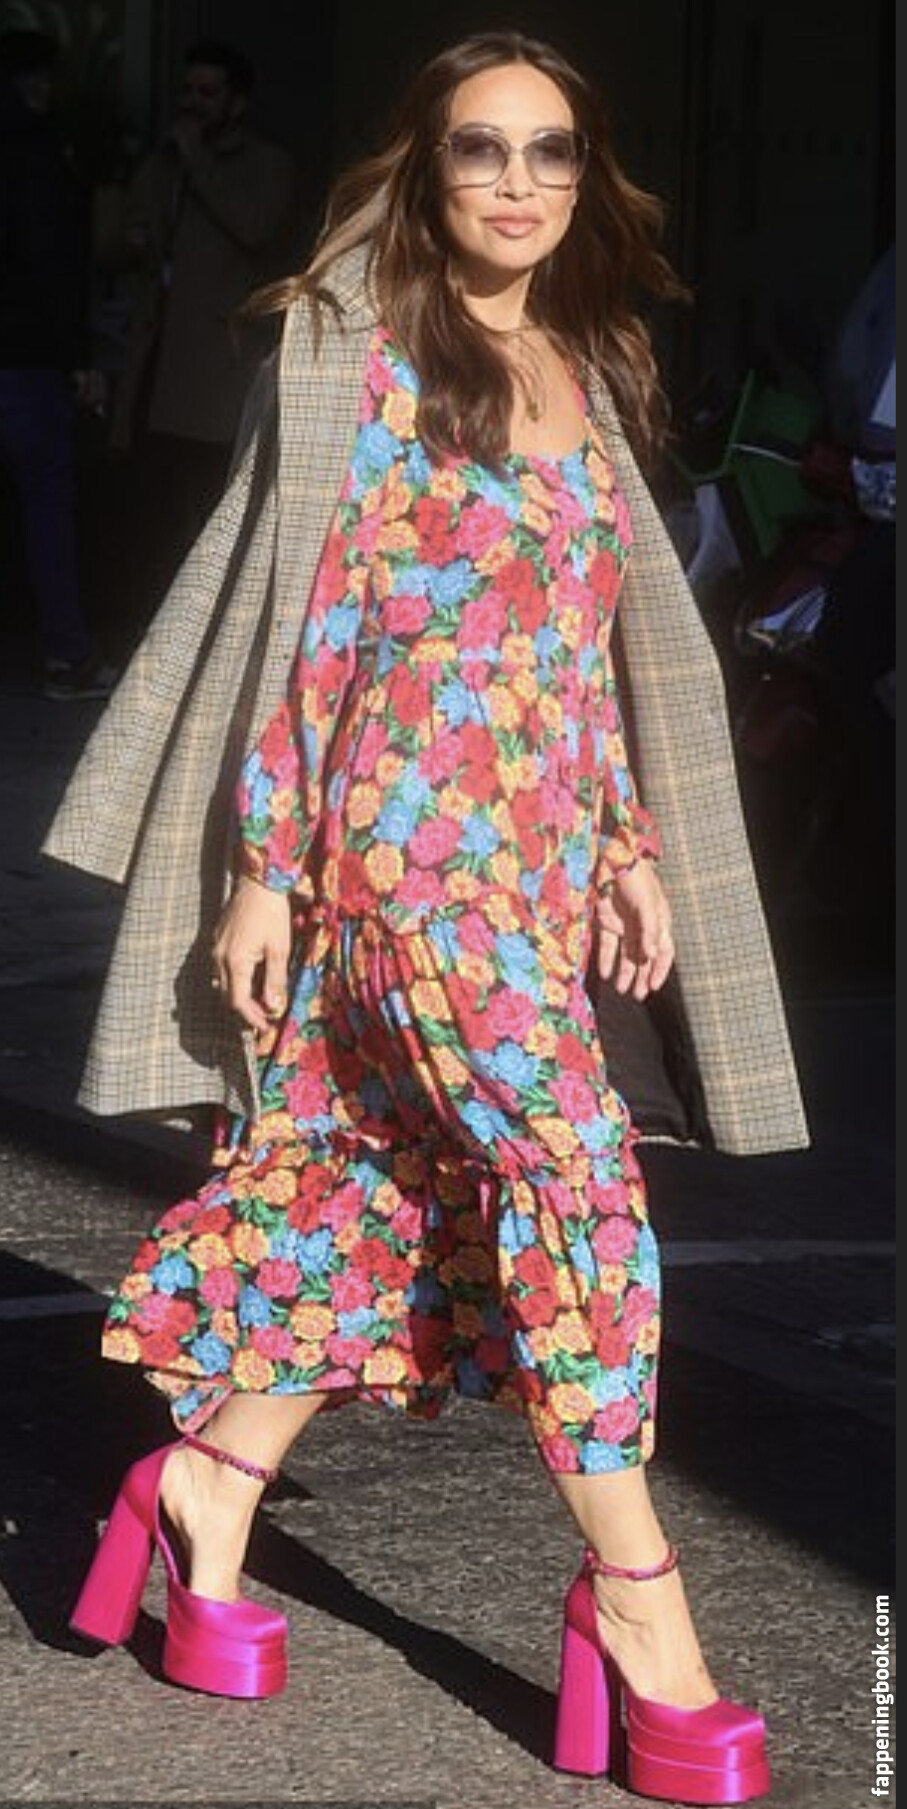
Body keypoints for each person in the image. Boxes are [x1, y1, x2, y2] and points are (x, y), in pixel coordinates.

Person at [45, 31, 808, 1804]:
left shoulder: (586, 360)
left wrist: (621, 843)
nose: (518, 183)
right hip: (399, 857)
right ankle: (637, 1602)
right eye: (482, 148)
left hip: (532, 870)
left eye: (551, 151)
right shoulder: (353, 354)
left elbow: (578, 647)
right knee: (574, 1182)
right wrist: (264, 866)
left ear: (585, 179)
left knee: (379, 1185)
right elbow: (309, 636)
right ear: (425, 165)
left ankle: (206, 1484)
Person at [107, 36, 299, 614]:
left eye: (208, 93)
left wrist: (198, 164)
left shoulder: (267, 164)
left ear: (237, 102)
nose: (193, 102)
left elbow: (257, 228)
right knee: (150, 512)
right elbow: (122, 242)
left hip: (217, 373)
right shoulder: (163, 162)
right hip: (155, 360)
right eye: (187, 90)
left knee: (213, 510)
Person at [0, 27, 115, 699]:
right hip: (25, 356)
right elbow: (49, 263)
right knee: (46, 503)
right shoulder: (34, 153)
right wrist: (79, 358)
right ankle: (68, 656)